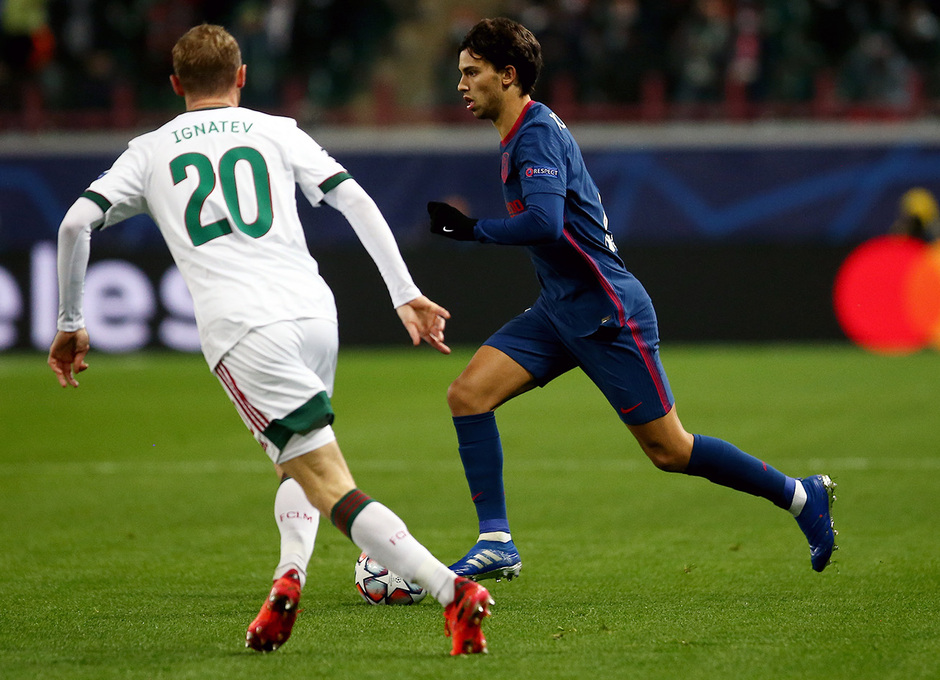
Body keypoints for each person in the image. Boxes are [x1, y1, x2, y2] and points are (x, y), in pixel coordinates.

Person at [47, 24, 492, 656]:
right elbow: (355, 200)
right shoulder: (277, 130)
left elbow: (76, 222)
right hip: (314, 314)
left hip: (244, 327)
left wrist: (70, 322)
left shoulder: (149, 151)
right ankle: (290, 578)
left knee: (327, 478)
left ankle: (453, 593)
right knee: (300, 464)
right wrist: (403, 292)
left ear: (175, 85)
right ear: (242, 77)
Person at [427, 17, 838, 582]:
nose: (461, 84)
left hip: (605, 311)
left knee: (670, 450)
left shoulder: (537, 134)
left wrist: (470, 231)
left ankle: (800, 495)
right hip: (559, 307)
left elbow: (546, 223)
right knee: (468, 394)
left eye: (472, 73)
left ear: (508, 75)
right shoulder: (518, 134)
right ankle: (496, 540)